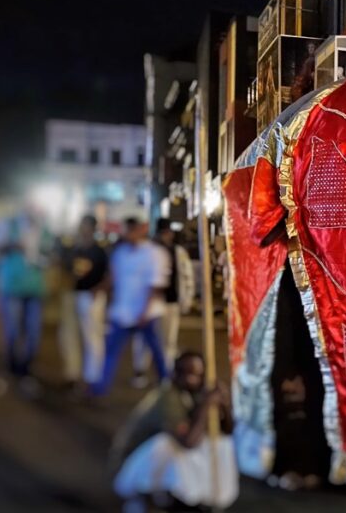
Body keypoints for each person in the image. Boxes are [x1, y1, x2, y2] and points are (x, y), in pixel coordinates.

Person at [112, 351, 237, 512]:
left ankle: (196, 497)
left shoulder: (196, 392)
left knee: (219, 443)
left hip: (163, 459)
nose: (194, 380)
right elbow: (188, 442)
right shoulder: (167, 396)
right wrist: (206, 405)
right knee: (169, 444)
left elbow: (227, 431)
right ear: (176, 374)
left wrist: (224, 404)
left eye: (199, 375)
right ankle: (144, 495)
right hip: (130, 466)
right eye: (189, 374)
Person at [93, 217, 168, 397]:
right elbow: (113, 277)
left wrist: (145, 311)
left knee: (156, 351)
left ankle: (167, 384)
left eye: (131, 230)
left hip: (147, 314)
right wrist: (100, 289)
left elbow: (155, 286)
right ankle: (100, 388)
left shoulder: (155, 253)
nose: (128, 235)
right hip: (123, 312)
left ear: (140, 230)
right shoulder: (120, 253)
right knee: (111, 350)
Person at [0, 201, 53, 394]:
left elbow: (50, 256)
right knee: (12, 331)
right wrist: (12, 245)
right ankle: (11, 368)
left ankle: (25, 370)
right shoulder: (7, 226)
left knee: (33, 333)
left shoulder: (44, 230)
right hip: (11, 287)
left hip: (35, 288)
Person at [131, 218, 193, 386]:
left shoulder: (177, 252)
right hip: (151, 302)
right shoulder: (148, 251)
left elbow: (186, 277)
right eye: (164, 232)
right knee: (146, 339)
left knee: (167, 340)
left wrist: (186, 298)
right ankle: (141, 371)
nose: (166, 235)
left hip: (169, 301)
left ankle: (165, 373)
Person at [59, 214, 109, 391]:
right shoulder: (74, 248)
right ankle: (72, 374)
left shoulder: (99, 251)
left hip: (91, 296)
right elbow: (65, 268)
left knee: (92, 337)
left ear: (93, 229)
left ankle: (92, 376)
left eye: (87, 226)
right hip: (72, 294)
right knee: (69, 335)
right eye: (82, 226)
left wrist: (100, 289)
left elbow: (109, 274)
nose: (83, 229)